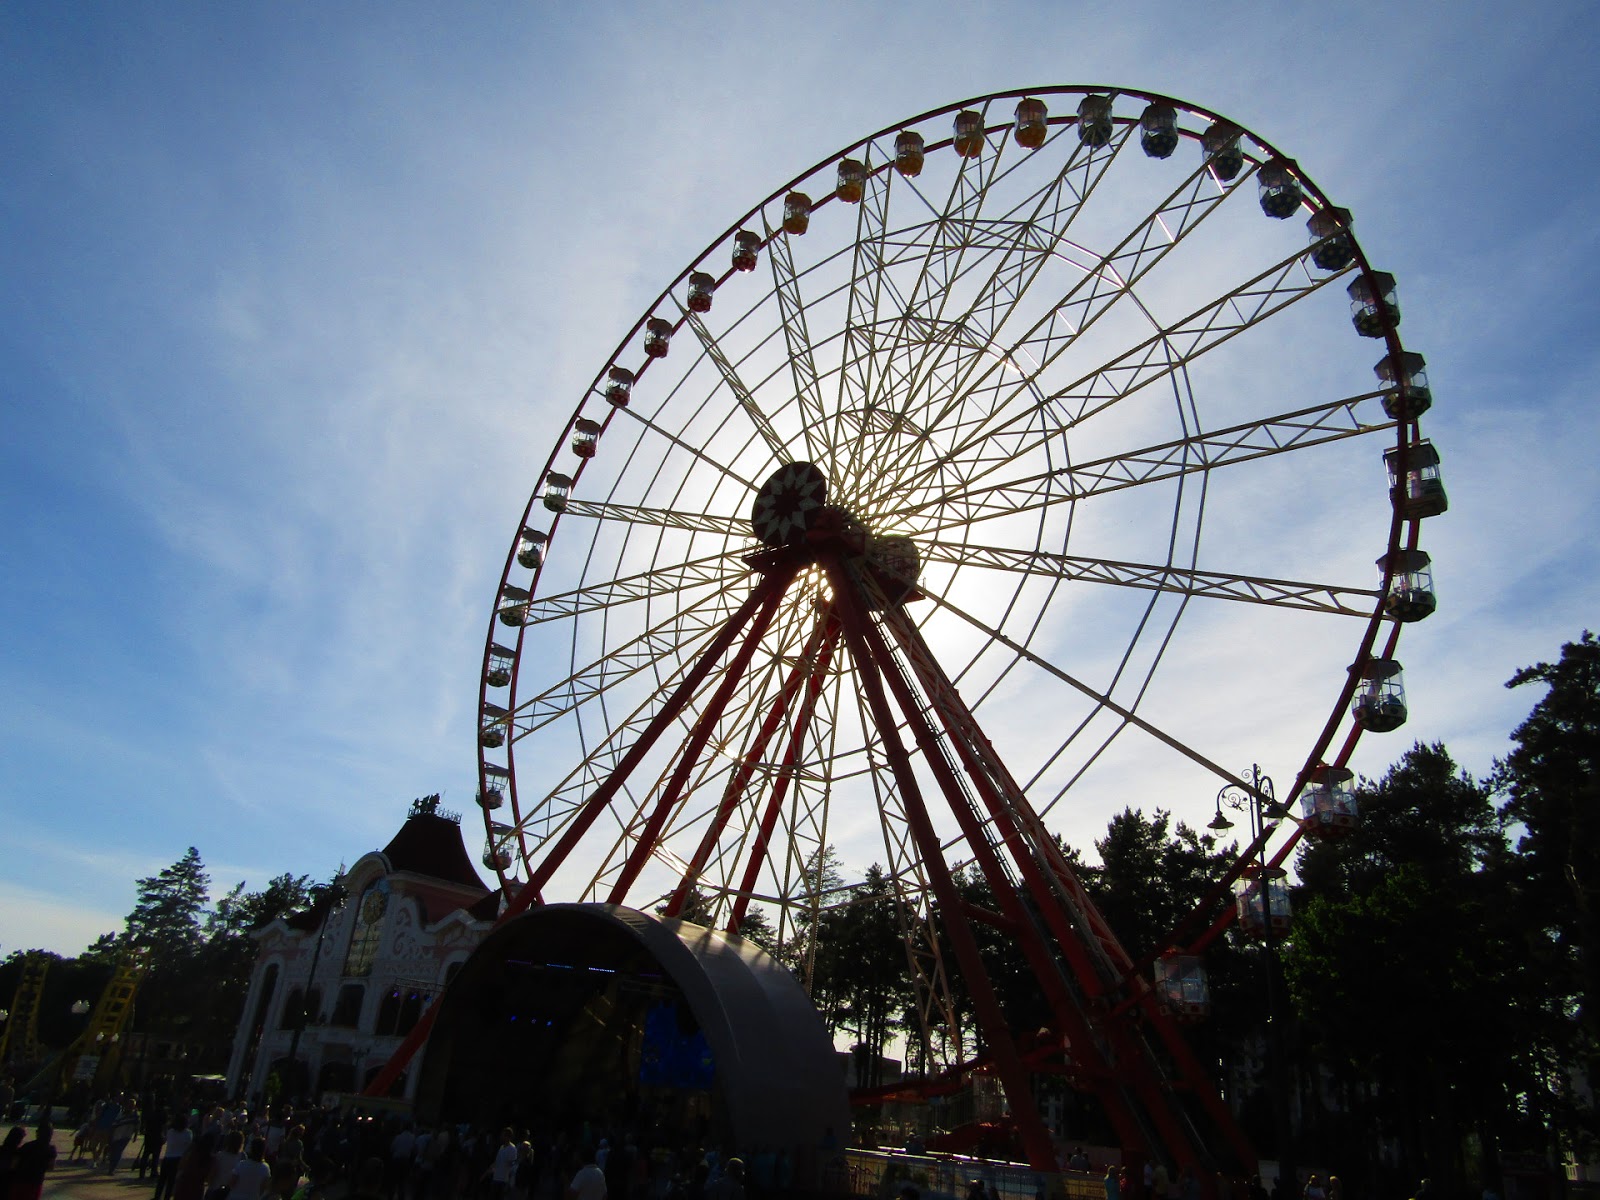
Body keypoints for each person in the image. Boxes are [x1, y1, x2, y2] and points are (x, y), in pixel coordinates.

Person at [154, 1115, 194, 1200]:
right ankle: (167, 1197)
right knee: (171, 1181)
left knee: (162, 1180)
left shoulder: (171, 1132)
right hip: (179, 1158)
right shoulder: (188, 1133)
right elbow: (189, 1146)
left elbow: (164, 1139)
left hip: (168, 1157)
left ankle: (157, 1196)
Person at [13, 1124, 57, 1200]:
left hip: (21, 1178)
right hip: (36, 1181)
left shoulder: (27, 1146)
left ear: (38, 1133)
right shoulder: (51, 1149)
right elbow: (51, 1167)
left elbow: (15, 1163)